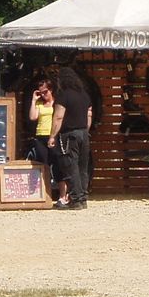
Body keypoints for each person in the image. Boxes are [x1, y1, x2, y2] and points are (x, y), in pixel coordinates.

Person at [48, 67, 92, 210]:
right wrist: (85, 131)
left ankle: (76, 199)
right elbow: (89, 115)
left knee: (70, 166)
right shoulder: (84, 95)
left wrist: (52, 136)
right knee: (82, 167)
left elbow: (58, 116)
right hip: (83, 133)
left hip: (69, 135)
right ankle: (83, 198)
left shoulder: (63, 95)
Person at [29, 78, 67, 205]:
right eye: (41, 93)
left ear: (51, 90)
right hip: (41, 135)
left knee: (57, 165)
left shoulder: (57, 103)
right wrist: (34, 100)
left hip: (53, 135)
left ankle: (63, 195)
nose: (43, 95)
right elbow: (33, 117)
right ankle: (44, 195)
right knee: (43, 165)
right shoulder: (40, 103)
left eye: (45, 92)